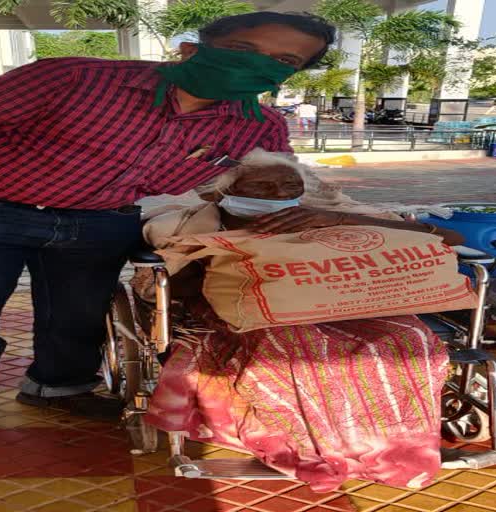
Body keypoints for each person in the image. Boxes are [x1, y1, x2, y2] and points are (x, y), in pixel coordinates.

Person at [0, 12, 337, 442]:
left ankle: (59, 387)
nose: (258, 65)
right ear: (193, 48)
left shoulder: (258, 126)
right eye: (242, 50)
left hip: (100, 218)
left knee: (79, 312)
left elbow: (265, 184)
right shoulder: (74, 77)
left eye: (284, 60)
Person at [132, 149, 464, 491]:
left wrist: (335, 223)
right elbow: (173, 287)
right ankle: (325, 446)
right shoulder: (188, 224)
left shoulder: (333, 214)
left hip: (348, 304)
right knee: (294, 348)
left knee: (411, 339)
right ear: (223, 193)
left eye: (289, 186)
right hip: (247, 313)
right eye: (262, 187)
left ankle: (394, 445)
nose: (278, 195)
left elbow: (450, 240)